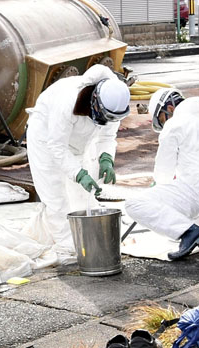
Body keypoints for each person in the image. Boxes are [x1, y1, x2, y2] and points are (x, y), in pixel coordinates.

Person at [26, 64, 131, 255]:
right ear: (95, 101)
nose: (108, 121)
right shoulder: (67, 102)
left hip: (78, 140)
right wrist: (78, 173)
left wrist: (107, 158)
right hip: (45, 138)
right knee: (55, 193)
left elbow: (107, 137)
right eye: (105, 116)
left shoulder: (113, 102)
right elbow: (57, 146)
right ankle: (68, 245)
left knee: (84, 194)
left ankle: (87, 237)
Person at [125, 88, 199, 261]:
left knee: (135, 204)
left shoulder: (176, 123)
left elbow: (163, 172)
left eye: (162, 119)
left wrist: (158, 187)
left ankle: (188, 233)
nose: (164, 124)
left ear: (170, 109)